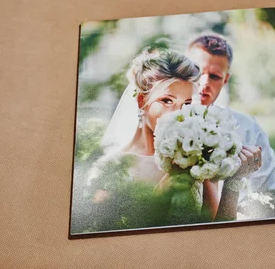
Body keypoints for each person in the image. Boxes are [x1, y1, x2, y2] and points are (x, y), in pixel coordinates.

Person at [87, 49, 261, 227]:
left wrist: (234, 181)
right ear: (141, 101)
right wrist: (161, 194)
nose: (177, 113)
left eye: (185, 103)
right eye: (167, 101)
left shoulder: (196, 156)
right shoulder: (112, 168)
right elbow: (102, 236)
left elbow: (220, 232)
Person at [186, 35, 275, 199]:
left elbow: (270, 191)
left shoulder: (249, 128)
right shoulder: (162, 125)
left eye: (214, 76)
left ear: (225, 80)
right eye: (197, 72)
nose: (204, 82)